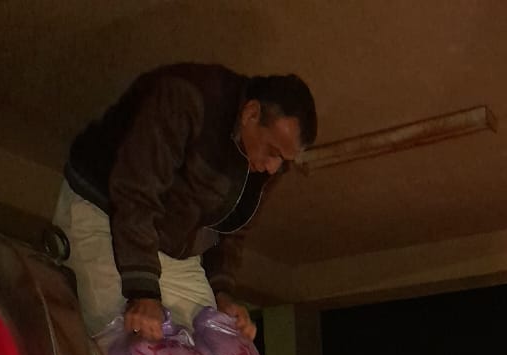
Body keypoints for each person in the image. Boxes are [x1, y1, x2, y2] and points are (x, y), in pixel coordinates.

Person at [56, 64, 317, 340]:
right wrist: (142, 289)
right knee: (130, 341)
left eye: (283, 161)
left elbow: (233, 229)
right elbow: (136, 193)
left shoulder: (266, 165)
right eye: (273, 152)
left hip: (176, 241)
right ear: (251, 113)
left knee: (215, 342)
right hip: (107, 211)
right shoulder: (186, 99)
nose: (274, 168)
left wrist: (222, 292)